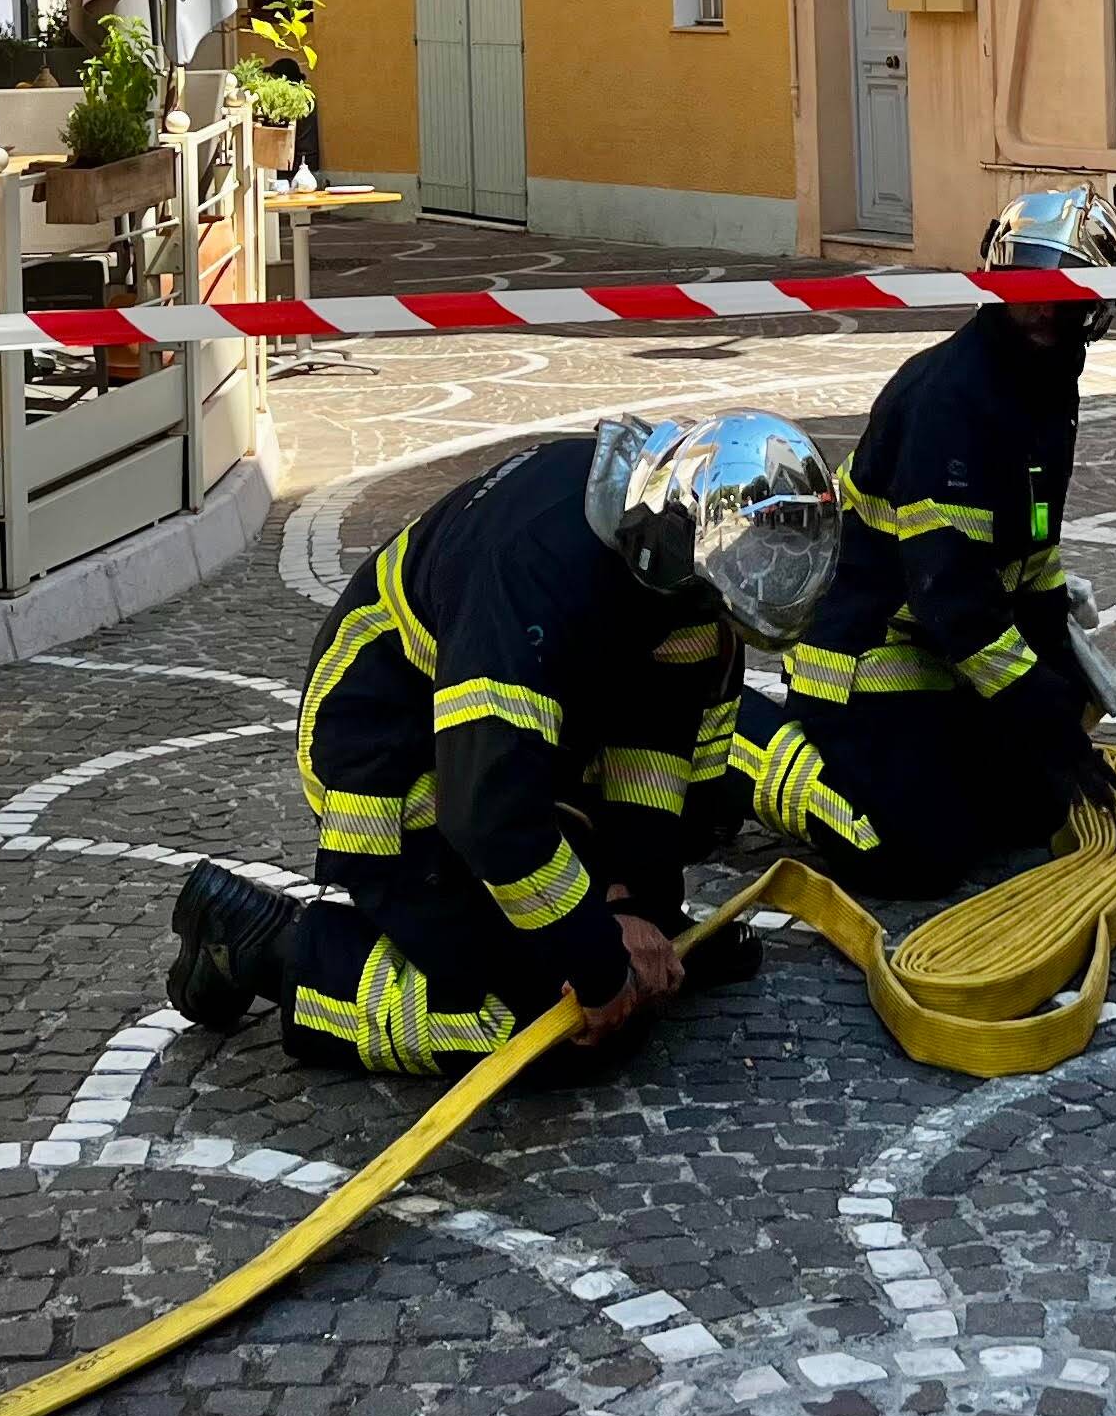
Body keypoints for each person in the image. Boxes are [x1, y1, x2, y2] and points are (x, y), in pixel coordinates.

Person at [160, 408, 839, 1072]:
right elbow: (488, 814)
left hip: (513, 760)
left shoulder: (668, 563)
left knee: (615, 975)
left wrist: (641, 909)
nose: (715, 630)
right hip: (389, 763)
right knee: (551, 1022)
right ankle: (268, 947)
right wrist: (599, 968)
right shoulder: (534, 569)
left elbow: (652, 752)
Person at [736, 185, 1116, 895]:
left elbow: (1032, 551)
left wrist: (1059, 673)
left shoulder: (1047, 385)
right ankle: (743, 738)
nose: (1039, 308)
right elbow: (951, 592)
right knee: (916, 855)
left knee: (1029, 813)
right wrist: (1039, 708)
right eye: (1024, 288)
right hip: (867, 658)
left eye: (1060, 293)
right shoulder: (954, 400)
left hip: (946, 657)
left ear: (1093, 308)